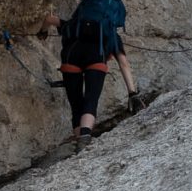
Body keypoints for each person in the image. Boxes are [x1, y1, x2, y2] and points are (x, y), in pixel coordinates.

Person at [37, 9, 144, 152]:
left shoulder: (74, 24)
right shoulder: (111, 34)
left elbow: (50, 19)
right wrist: (132, 93)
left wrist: (42, 31)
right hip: (96, 61)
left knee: (76, 105)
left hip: (70, 60)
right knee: (90, 100)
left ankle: (78, 141)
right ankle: (84, 137)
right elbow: (123, 64)